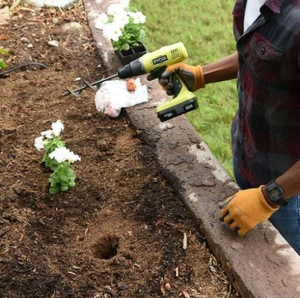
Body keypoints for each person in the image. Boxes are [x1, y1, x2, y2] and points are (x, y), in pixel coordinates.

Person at [156, 0, 300, 254]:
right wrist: (202, 74)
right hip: (248, 154)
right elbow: (257, 53)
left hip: (288, 190)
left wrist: (269, 197)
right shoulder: (252, 2)